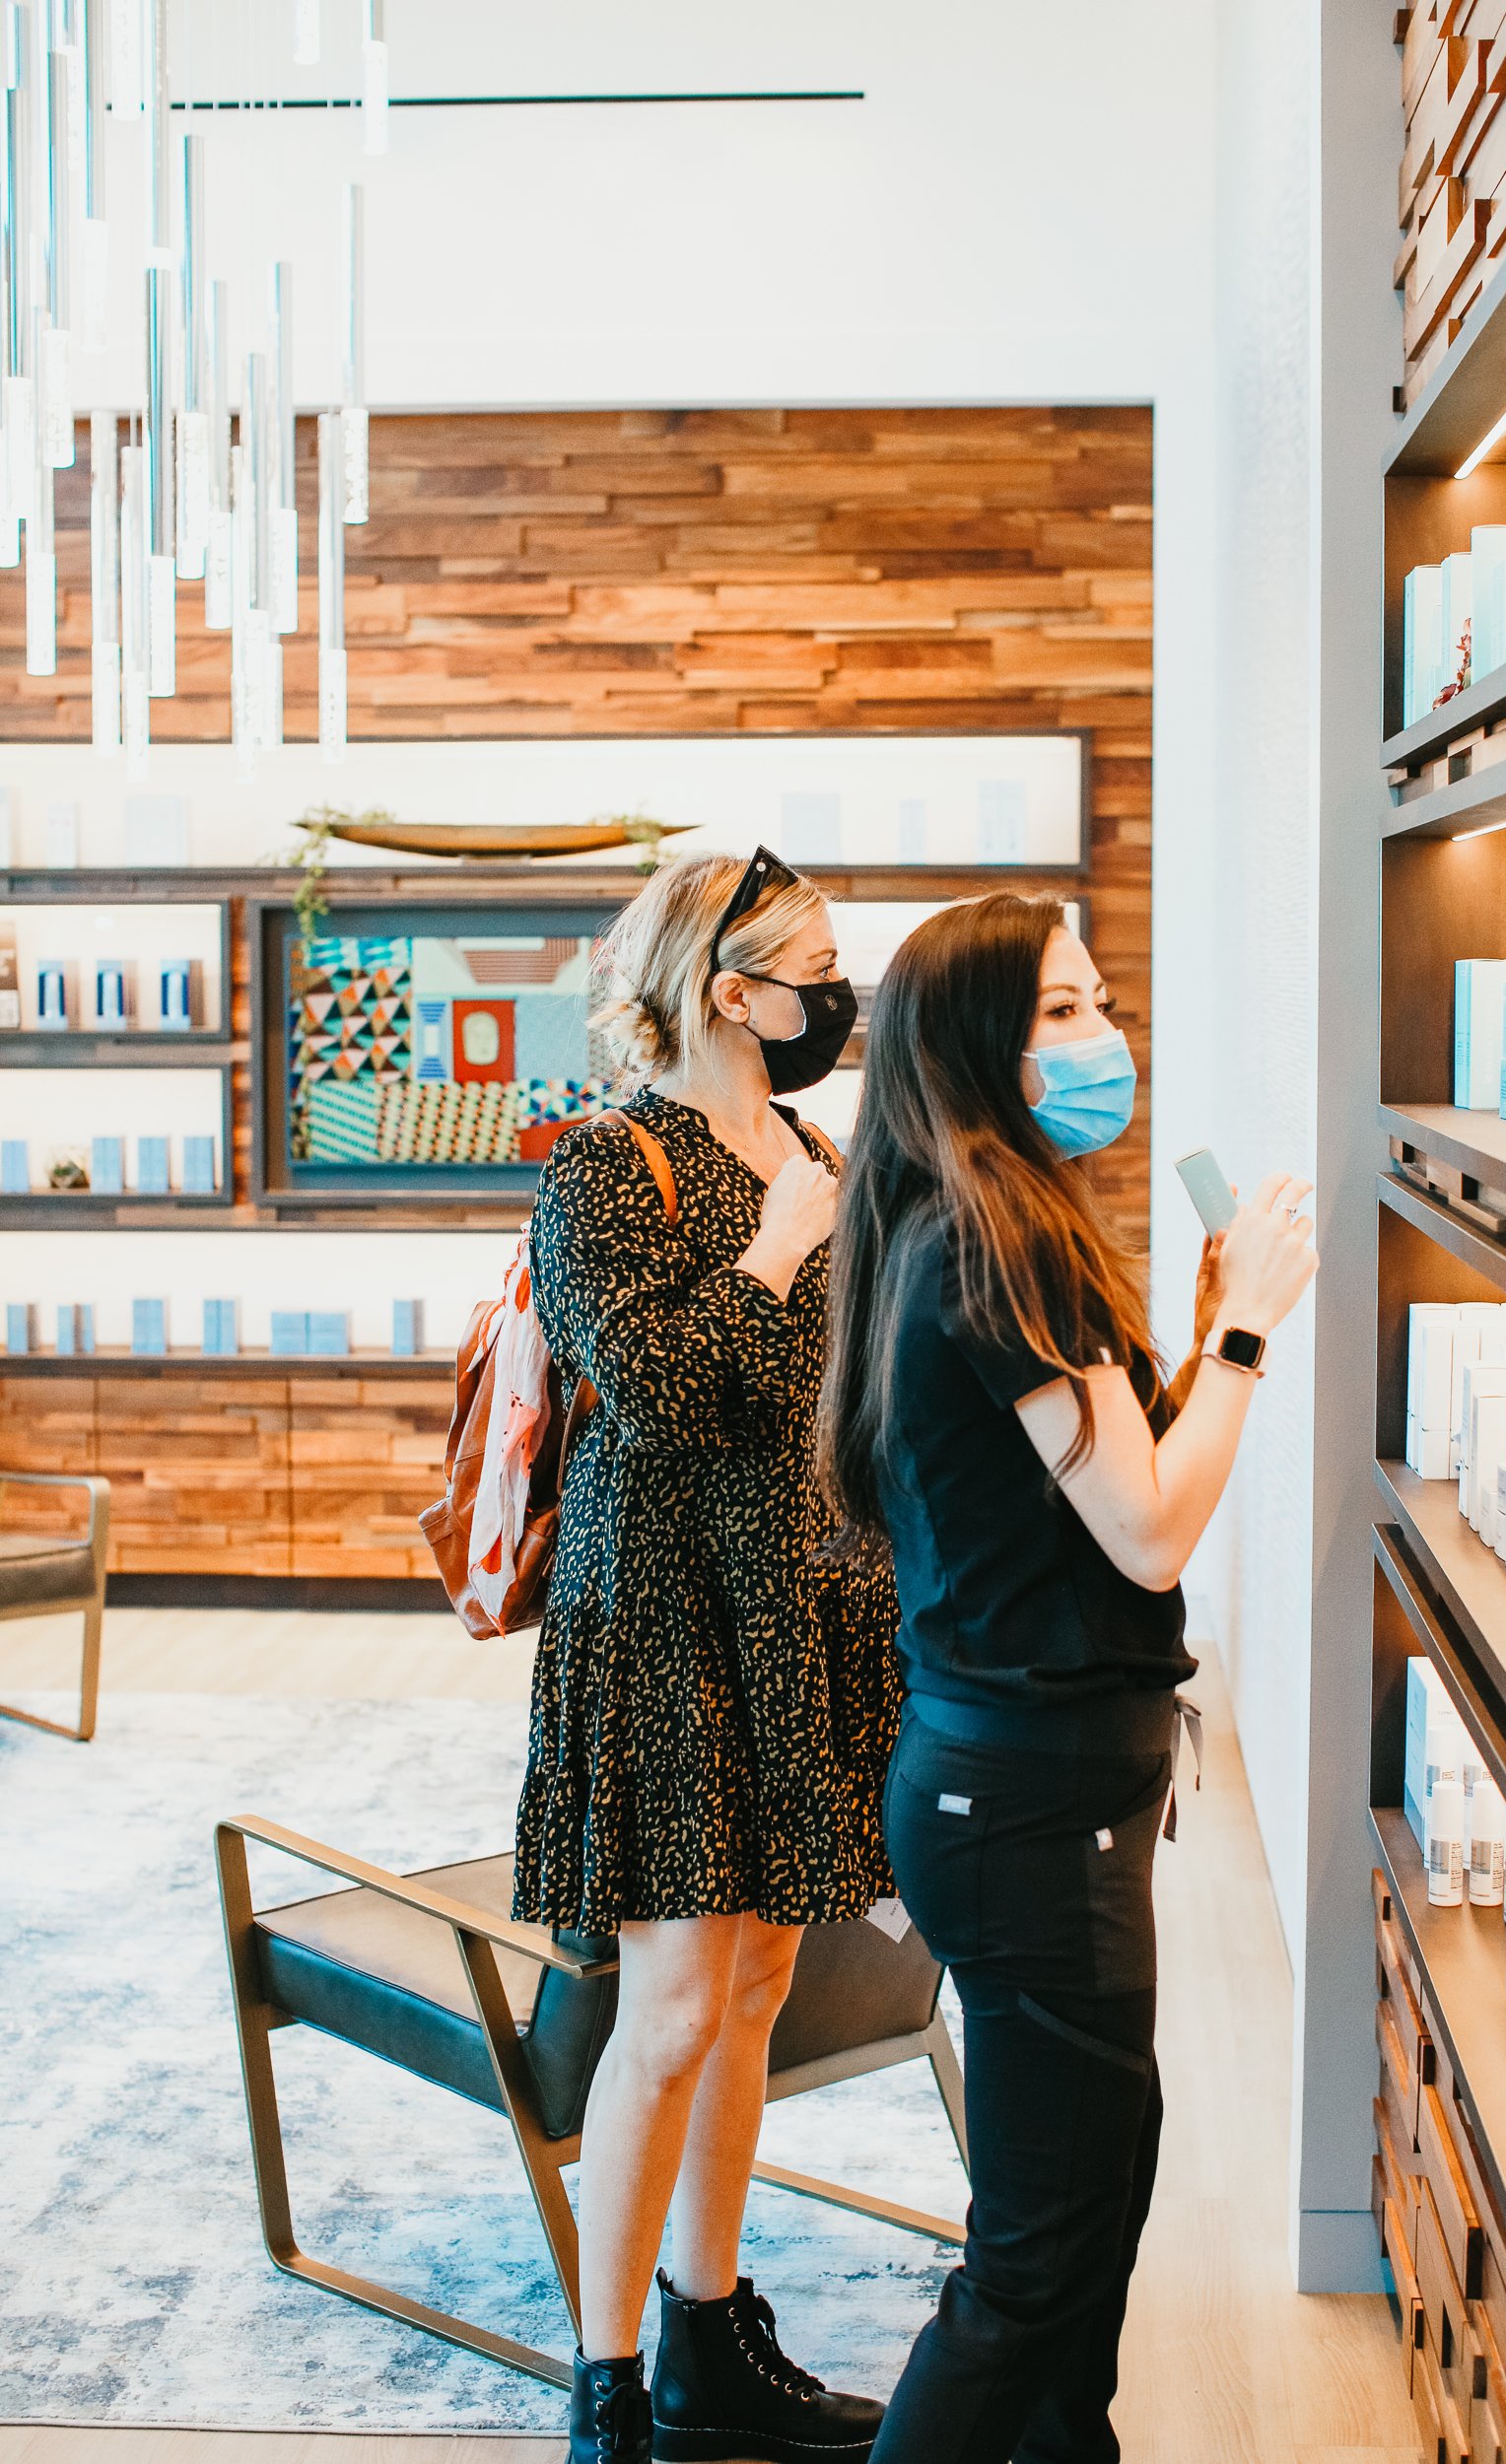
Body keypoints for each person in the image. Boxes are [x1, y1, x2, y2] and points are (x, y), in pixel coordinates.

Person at [818, 892, 1318, 2464]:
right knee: (1039, 2252)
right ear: (972, 1039)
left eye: (1099, 1002)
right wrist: (1241, 1339)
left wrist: (1182, 1342)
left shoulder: (947, 1214)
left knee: (1101, 2170)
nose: (1102, 1038)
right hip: (1025, 1809)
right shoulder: (1000, 1233)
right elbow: (1156, 1530)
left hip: (1005, 1787)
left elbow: (1089, 1500)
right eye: (1059, 1011)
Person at [513, 848, 901, 2464]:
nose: (838, 991)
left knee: (756, 1984)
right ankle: (608, 2393)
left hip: (794, 1603)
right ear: (726, 991)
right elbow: (657, 1390)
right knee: (670, 2006)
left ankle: (706, 2330)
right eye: (813, 964)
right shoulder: (602, 1163)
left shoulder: (812, 1140)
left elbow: (829, 1387)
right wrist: (776, 1248)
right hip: (665, 1608)